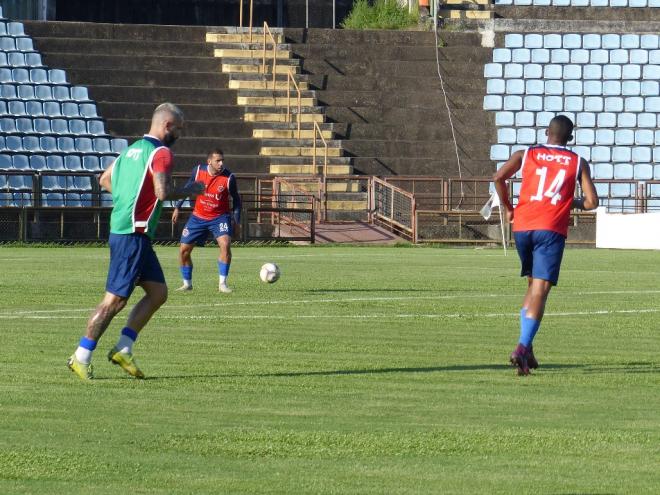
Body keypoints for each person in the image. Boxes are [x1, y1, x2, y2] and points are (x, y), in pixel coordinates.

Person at [67, 102, 203, 380]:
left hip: (131, 233)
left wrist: (128, 199)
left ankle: (123, 348)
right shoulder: (161, 152)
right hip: (133, 234)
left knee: (158, 293)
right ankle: (80, 356)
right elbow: (163, 193)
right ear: (167, 126)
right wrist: (191, 190)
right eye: (179, 129)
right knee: (114, 301)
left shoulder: (130, 150)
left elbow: (104, 179)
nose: (180, 135)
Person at [493, 115, 599, 376]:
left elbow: (498, 178)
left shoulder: (525, 154)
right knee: (541, 290)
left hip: (522, 227)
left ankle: (528, 351)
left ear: (546, 132)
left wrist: (508, 208)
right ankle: (522, 346)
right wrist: (568, 202)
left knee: (531, 284)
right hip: (549, 228)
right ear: (570, 138)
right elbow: (591, 202)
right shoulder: (577, 162)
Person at [171, 148, 241, 293]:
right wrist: (177, 207)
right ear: (209, 161)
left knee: (225, 244)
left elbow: (237, 200)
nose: (221, 163)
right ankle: (187, 284)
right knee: (184, 251)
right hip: (198, 217)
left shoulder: (229, 177)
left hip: (219, 217)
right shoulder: (198, 171)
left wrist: (236, 221)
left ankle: (222, 284)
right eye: (218, 161)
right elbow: (188, 188)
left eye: (222, 160)